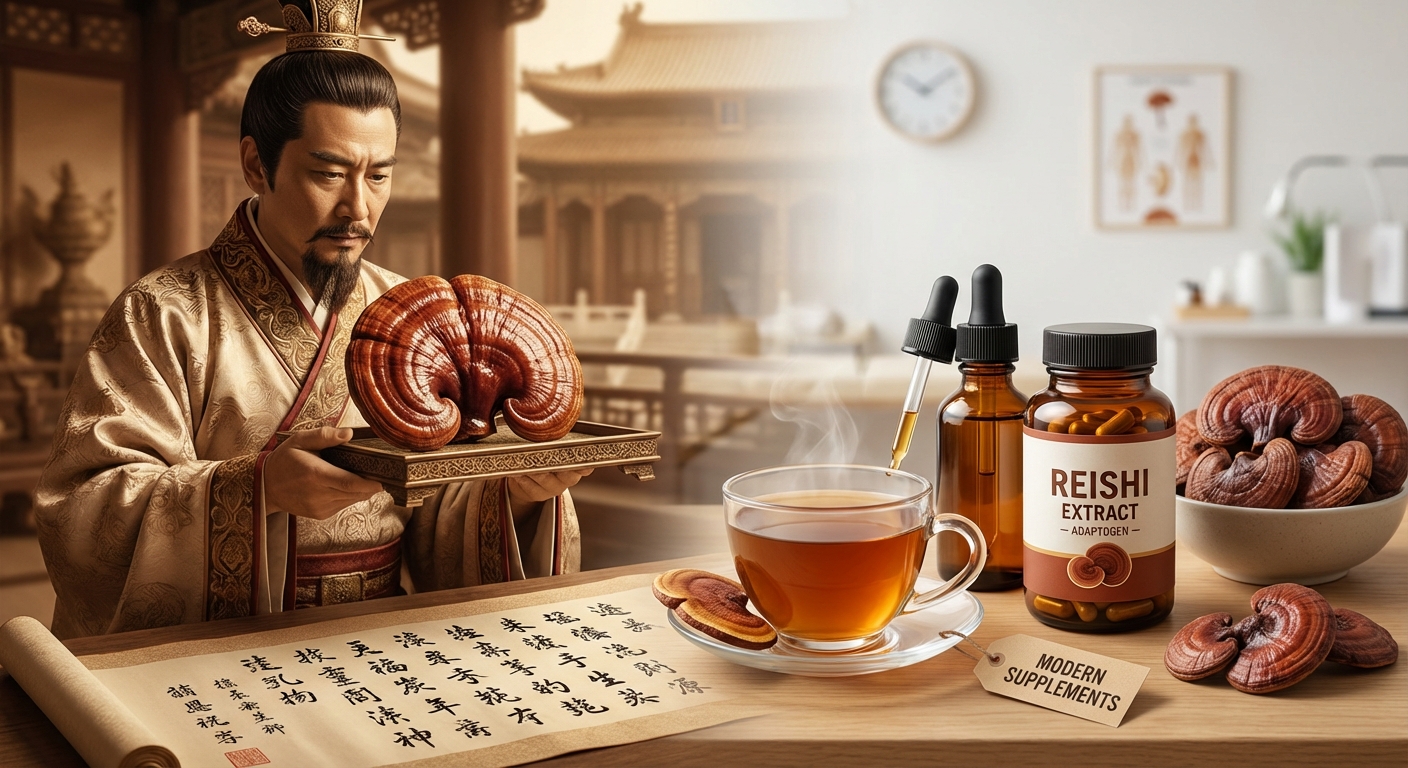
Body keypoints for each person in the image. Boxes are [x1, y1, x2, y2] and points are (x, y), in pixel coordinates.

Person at [35, 4, 590, 639]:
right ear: (255, 164)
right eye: (328, 173)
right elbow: (84, 509)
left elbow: (438, 504)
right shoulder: (164, 312)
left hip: (377, 640)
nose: (358, 206)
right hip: (222, 646)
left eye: (379, 176)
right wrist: (260, 489)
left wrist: (515, 493)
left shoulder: (412, 313)